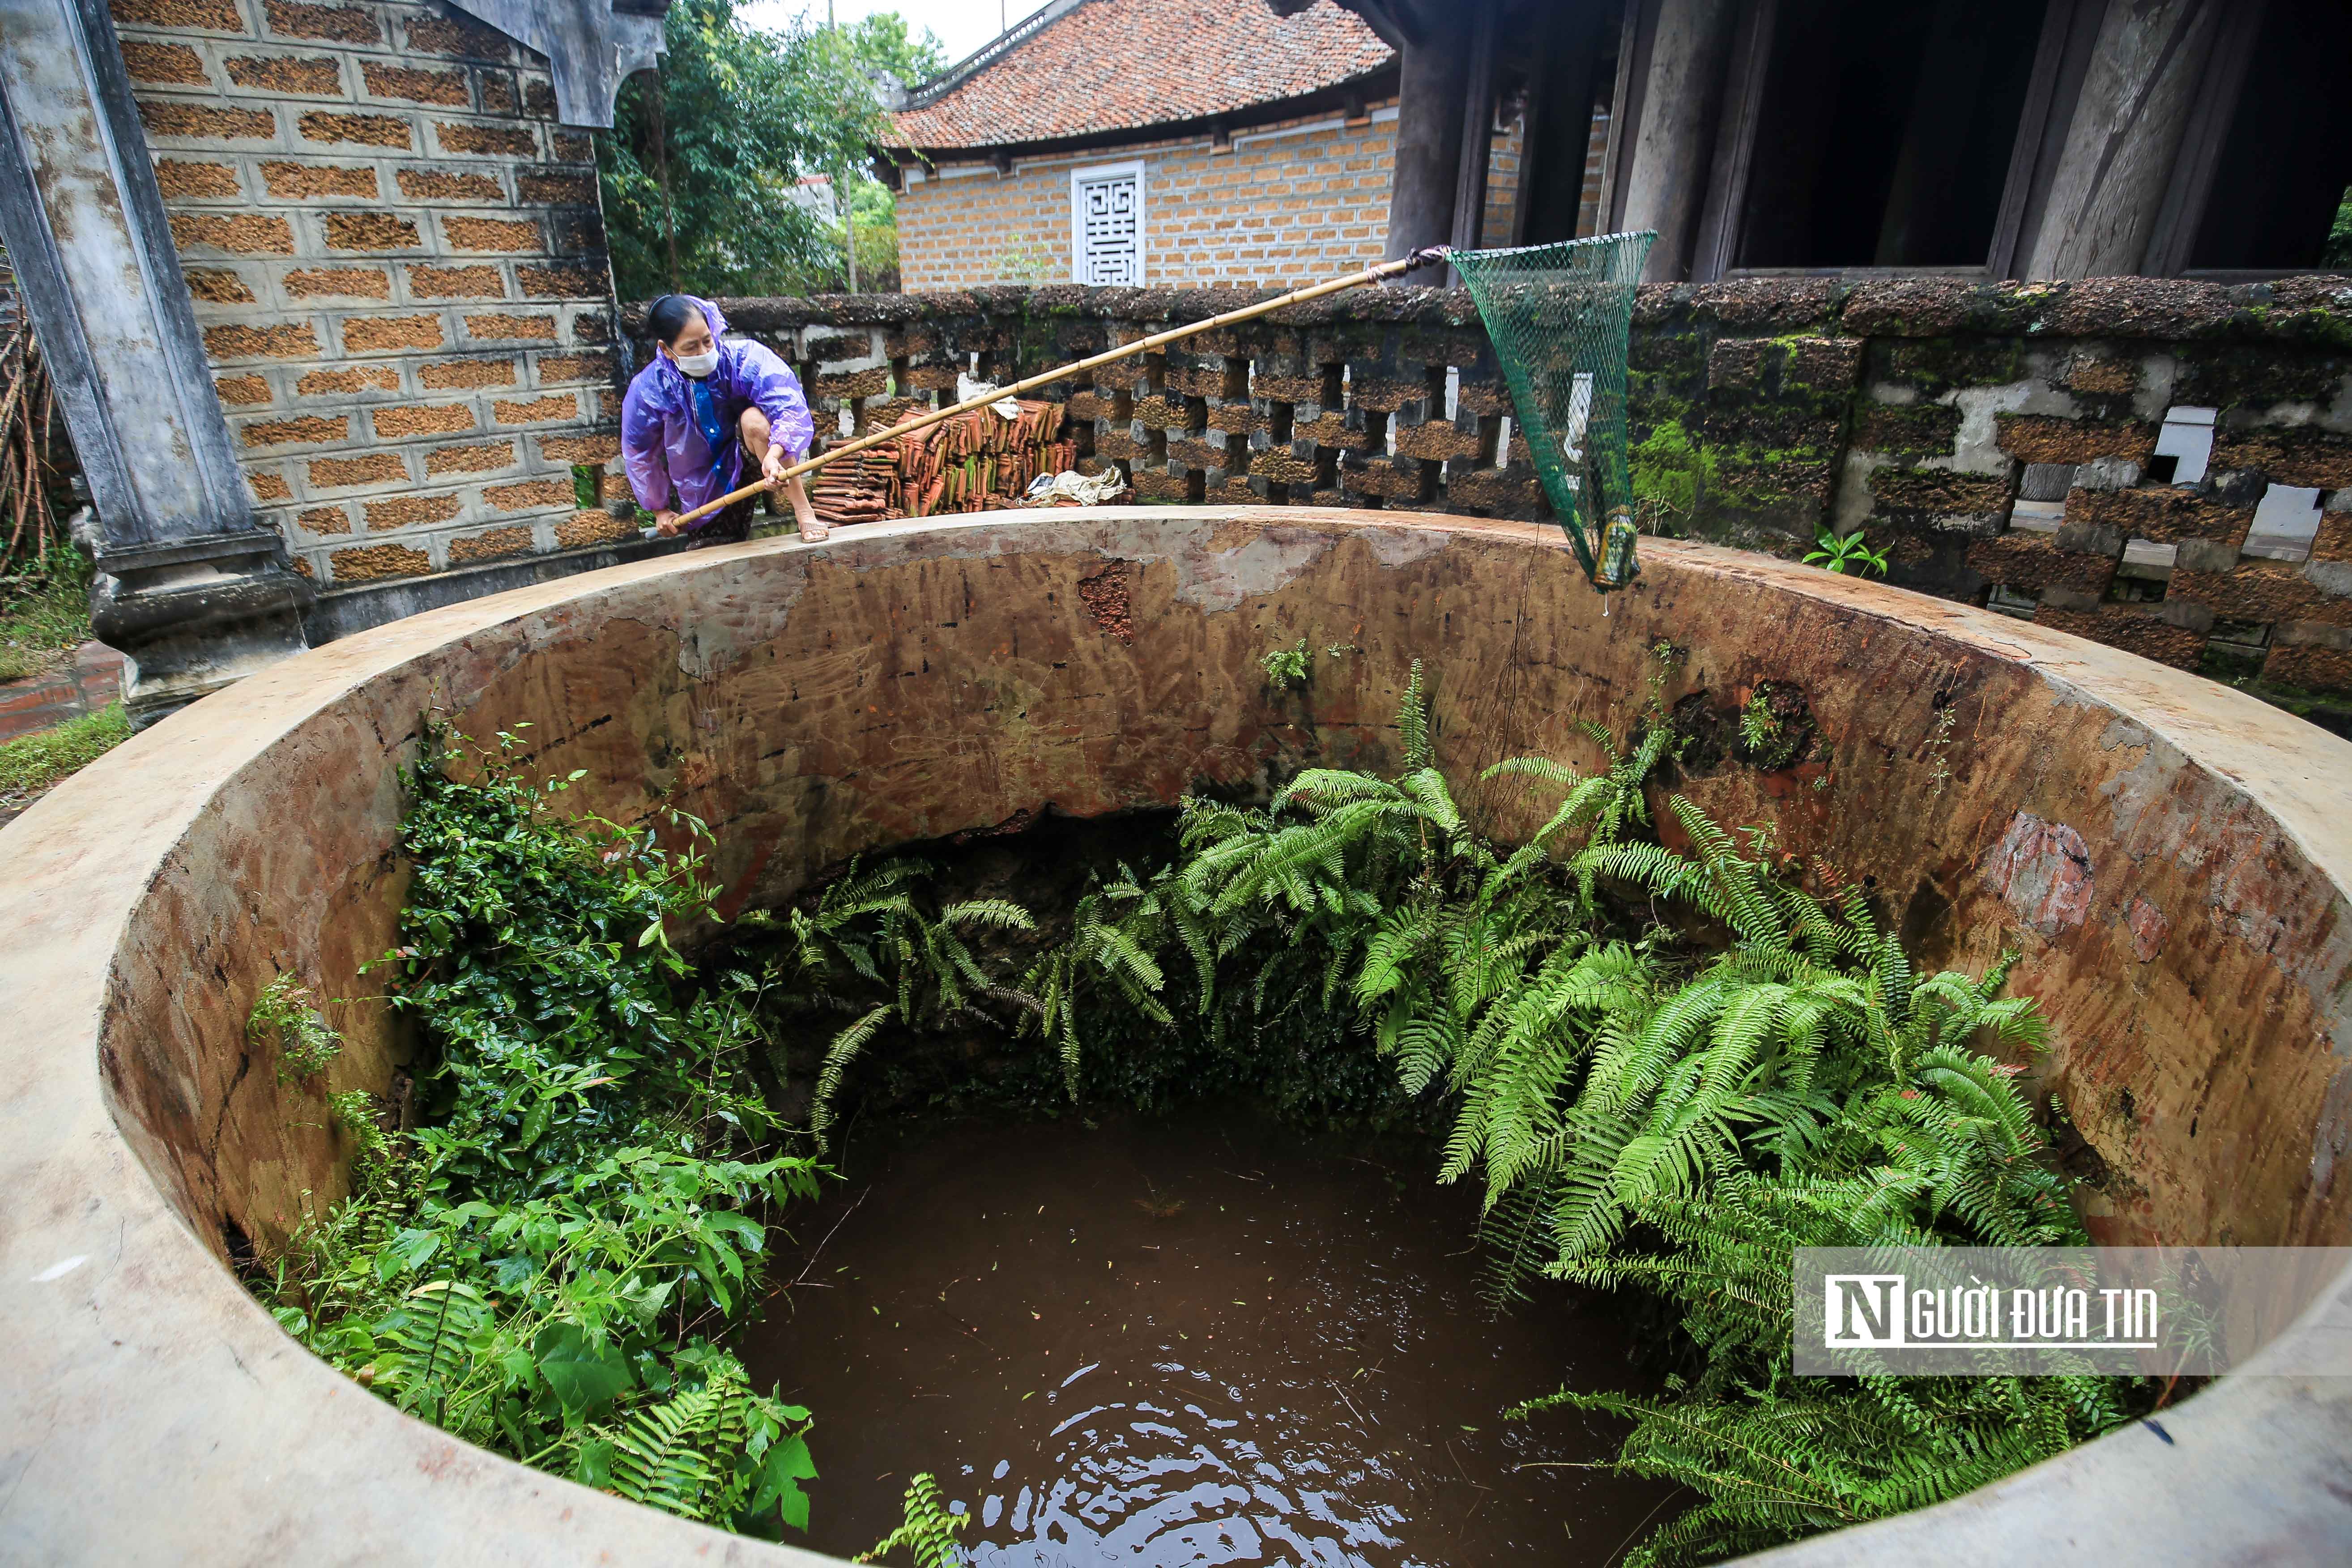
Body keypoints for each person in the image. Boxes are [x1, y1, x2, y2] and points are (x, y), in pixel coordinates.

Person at [621, 294, 826, 545]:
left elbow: (787, 405)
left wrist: (774, 454)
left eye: (707, 341)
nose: (704, 352)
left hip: (757, 455)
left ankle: (804, 512)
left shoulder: (744, 357)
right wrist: (659, 509)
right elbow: (640, 453)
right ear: (666, 349)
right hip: (704, 484)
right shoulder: (649, 388)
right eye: (691, 347)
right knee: (713, 551)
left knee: (754, 421)